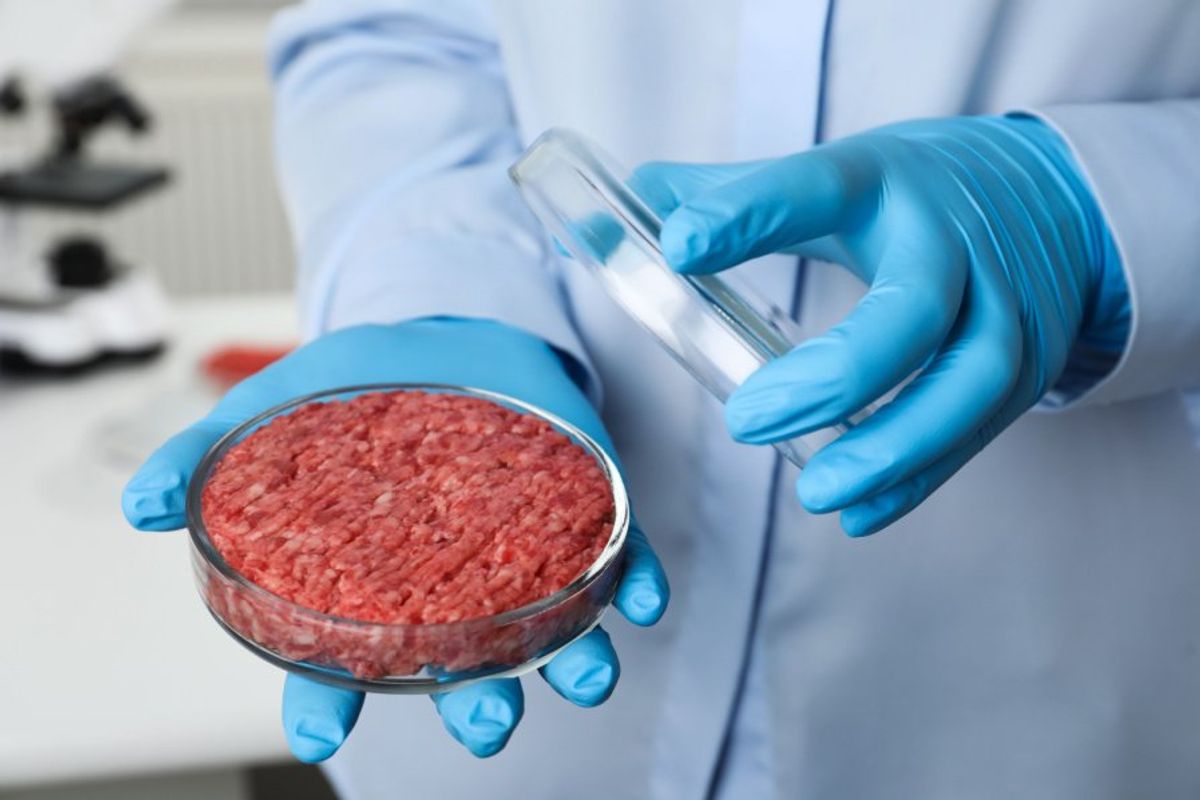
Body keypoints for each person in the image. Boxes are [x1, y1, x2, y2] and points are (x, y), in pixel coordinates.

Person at [123, 1, 1200, 797]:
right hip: (518, 744)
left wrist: (1106, 211)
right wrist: (442, 290)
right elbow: (408, 35)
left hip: (1035, 694)